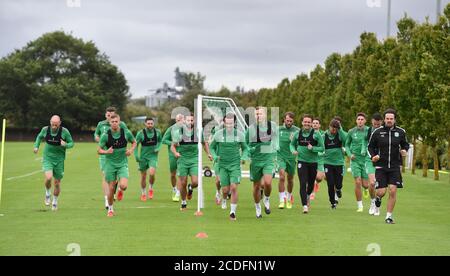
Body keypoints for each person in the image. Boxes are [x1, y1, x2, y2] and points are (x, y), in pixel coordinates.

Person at [368, 109, 409, 224]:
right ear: (384, 119)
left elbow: (405, 144)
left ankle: (389, 216)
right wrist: (373, 156)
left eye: (391, 118)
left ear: (394, 119)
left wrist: (405, 150)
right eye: (387, 118)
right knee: (381, 192)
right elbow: (370, 147)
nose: (389, 120)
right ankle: (378, 198)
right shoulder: (377, 132)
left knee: (392, 190)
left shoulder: (401, 132)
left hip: (395, 167)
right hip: (381, 167)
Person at [209, 113, 249, 220]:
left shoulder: (240, 134)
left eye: (231, 123)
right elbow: (211, 147)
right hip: (222, 165)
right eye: (227, 123)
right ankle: (224, 198)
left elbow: (245, 148)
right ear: (224, 123)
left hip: (235, 164)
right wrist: (214, 156)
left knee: (234, 187)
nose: (229, 125)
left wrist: (244, 157)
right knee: (225, 190)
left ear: (234, 123)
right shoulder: (218, 134)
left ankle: (232, 212)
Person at [98, 114, 136, 217]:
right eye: (112, 122)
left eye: (116, 121)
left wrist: (131, 150)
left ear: (119, 122)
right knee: (110, 189)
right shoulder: (105, 135)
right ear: (109, 123)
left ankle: (120, 190)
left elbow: (134, 142)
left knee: (123, 186)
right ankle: (110, 209)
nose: (114, 123)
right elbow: (99, 150)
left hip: (122, 164)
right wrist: (106, 151)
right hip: (110, 164)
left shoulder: (126, 133)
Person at [171, 114, 212, 211]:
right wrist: (175, 153)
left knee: (195, 182)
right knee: (183, 182)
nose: (190, 122)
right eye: (188, 120)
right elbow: (172, 146)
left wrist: (209, 154)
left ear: (194, 121)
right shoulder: (179, 132)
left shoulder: (198, 132)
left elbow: (204, 143)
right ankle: (184, 202)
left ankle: (191, 188)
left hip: (194, 159)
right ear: (184, 121)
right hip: (182, 159)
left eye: (192, 120)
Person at [33, 115, 74, 211]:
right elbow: (39, 137)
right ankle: (47, 193)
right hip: (48, 158)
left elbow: (72, 143)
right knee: (48, 177)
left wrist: (66, 144)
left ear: (60, 123)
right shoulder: (45, 130)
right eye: (53, 124)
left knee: (57, 183)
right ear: (50, 122)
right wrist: (36, 146)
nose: (54, 126)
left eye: (56, 124)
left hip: (59, 160)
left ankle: (55, 201)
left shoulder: (64, 132)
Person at [246, 107, 279, 218]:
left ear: (265, 115)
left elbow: (276, 139)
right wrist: (249, 151)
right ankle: (257, 207)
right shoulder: (251, 129)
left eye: (260, 114)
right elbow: (245, 145)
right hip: (256, 161)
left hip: (268, 159)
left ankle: (266, 198)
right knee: (256, 186)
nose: (258, 116)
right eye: (256, 114)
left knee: (268, 183)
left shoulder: (272, 126)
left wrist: (275, 147)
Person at [94, 106, 128, 209]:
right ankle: (106, 199)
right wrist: (98, 138)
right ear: (106, 115)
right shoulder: (101, 124)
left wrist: (128, 149)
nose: (110, 118)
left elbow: (127, 135)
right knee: (105, 176)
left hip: (118, 155)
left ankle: (119, 190)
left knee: (117, 180)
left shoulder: (121, 125)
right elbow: (96, 134)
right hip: (105, 154)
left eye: (112, 115)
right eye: (108, 115)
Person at [290, 114, 324, 214]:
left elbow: (322, 148)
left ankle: (308, 195)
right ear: (302, 123)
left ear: (311, 123)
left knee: (310, 185)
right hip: (301, 161)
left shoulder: (316, 134)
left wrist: (313, 148)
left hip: (313, 162)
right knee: (302, 183)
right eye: (305, 122)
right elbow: (292, 144)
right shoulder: (297, 133)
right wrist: (293, 150)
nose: (307, 124)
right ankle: (304, 205)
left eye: (309, 122)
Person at [345, 113, 371, 212]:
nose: (360, 121)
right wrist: (349, 154)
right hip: (355, 160)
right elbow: (347, 145)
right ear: (356, 121)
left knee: (365, 184)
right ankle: (360, 206)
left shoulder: (369, 131)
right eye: (358, 119)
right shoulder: (351, 131)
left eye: (362, 119)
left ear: (365, 121)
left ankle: (366, 189)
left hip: (365, 160)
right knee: (357, 182)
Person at [134, 117, 162, 201]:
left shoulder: (158, 132)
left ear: (153, 124)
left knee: (152, 173)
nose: (150, 125)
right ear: (145, 124)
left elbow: (160, 141)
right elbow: (135, 144)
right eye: (148, 123)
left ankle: (150, 188)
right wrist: (136, 155)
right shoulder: (140, 133)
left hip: (153, 157)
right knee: (143, 176)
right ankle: (143, 193)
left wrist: (158, 148)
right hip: (143, 158)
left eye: (151, 123)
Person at [277, 112, 299, 209]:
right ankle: (282, 200)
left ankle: (289, 197)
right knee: (281, 177)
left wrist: (294, 141)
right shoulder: (278, 129)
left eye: (290, 121)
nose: (289, 122)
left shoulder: (297, 131)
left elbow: (300, 144)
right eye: (287, 120)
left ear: (293, 121)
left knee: (290, 179)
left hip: (291, 158)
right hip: (280, 156)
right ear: (284, 120)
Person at [323, 119, 347, 209]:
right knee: (330, 183)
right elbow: (320, 145)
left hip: (339, 163)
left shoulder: (339, 135)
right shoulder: (324, 136)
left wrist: (340, 129)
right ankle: (332, 202)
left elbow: (346, 139)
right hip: (327, 162)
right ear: (329, 127)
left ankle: (338, 189)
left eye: (335, 128)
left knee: (338, 184)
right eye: (332, 128)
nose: (333, 130)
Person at [161, 114, 184, 202]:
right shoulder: (171, 129)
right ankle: (174, 188)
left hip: (182, 154)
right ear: (176, 121)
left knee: (180, 173)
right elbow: (164, 140)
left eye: (181, 120)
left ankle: (178, 192)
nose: (180, 122)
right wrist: (173, 143)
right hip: (172, 154)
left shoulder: (186, 130)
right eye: (178, 120)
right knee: (173, 174)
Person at [366, 113, 383, 215]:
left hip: (382, 160)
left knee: (380, 187)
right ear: (372, 121)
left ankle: (377, 203)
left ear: (381, 122)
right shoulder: (369, 131)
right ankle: (373, 202)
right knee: (372, 183)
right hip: (370, 159)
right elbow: (367, 144)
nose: (376, 126)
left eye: (378, 124)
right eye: (374, 124)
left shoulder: (385, 131)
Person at [311, 118, 325, 200]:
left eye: (317, 123)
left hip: (320, 159)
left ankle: (316, 183)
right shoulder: (309, 133)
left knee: (319, 178)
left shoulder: (323, 134)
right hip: (311, 158)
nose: (315, 124)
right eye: (314, 123)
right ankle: (312, 192)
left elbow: (324, 146)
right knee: (311, 176)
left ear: (319, 125)